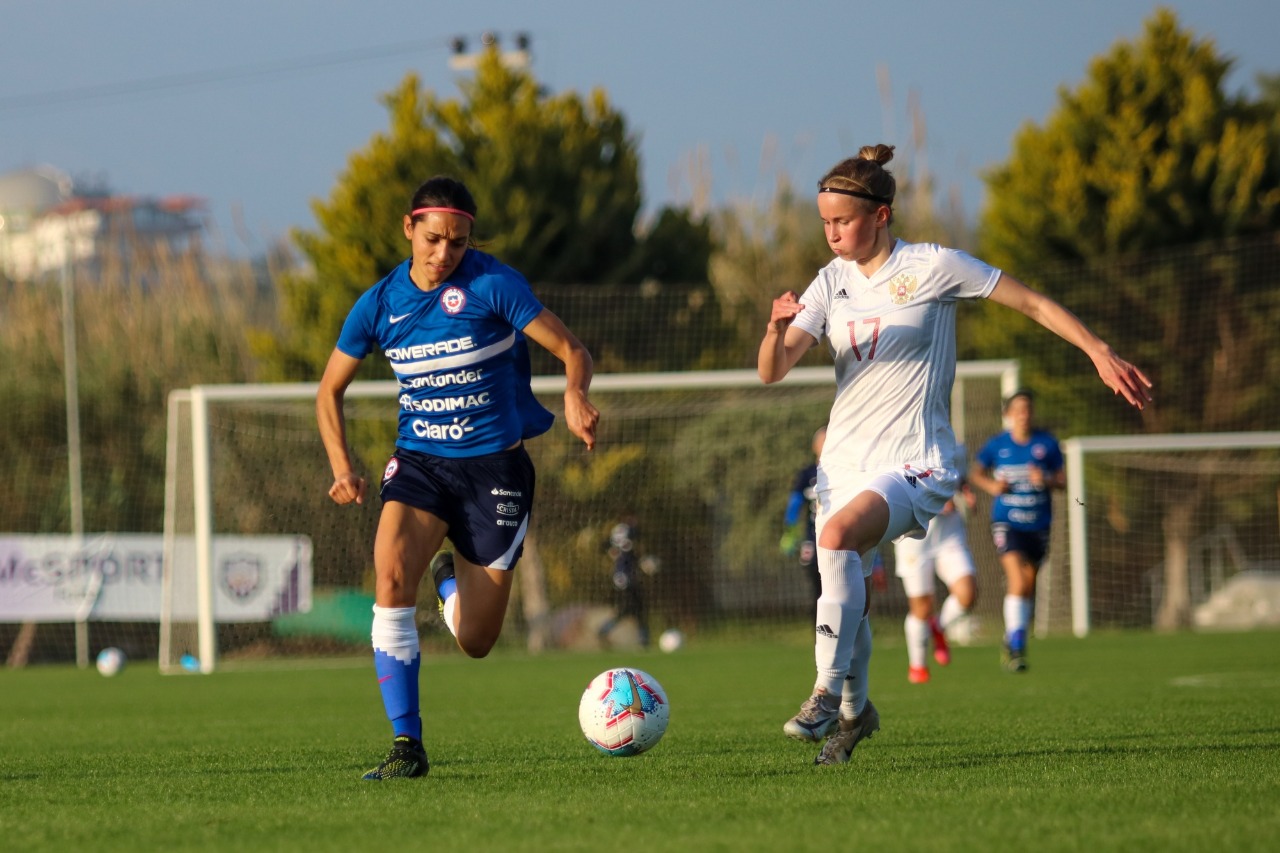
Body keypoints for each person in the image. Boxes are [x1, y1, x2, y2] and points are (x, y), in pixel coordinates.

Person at [758, 144, 1151, 766]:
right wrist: (777, 327)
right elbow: (772, 370)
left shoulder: (932, 266)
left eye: (843, 221)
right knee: (845, 573)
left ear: (881, 215)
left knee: (836, 538)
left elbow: (1031, 303)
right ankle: (857, 714)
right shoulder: (829, 282)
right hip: (844, 463)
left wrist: (1098, 350)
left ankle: (824, 695)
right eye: (825, 223)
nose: (832, 234)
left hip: (915, 459)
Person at [317, 176, 599, 780]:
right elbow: (329, 390)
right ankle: (406, 745)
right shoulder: (377, 305)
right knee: (389, 575)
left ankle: (450, 583)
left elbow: (573, 348)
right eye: (435, 239)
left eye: (459, 242)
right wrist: (343, 466)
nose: (445, 253)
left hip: (495, 469)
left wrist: (574, 394)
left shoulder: (493, 284)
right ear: (409, 228)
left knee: (475, 640)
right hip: (421, 464)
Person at [970, 389, 1063, 673]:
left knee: (1028, 584)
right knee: (1017, 580)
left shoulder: (1046, 443)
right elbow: (975, 473)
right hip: (1007, 522)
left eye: (1028, 409)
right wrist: (991, 487)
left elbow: (1063, 480)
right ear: (1008, 415)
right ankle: (1017, 645)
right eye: (1018, 410)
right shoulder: (997, 445)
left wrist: (1045, 479)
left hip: (1038, 523)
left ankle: (1012, 635)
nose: (1024, 415)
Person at [893, 445, 979, 684]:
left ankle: (938, 627)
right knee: (922, 606)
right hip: (913, 537)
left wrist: (966, 494)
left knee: (968, 594)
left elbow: (959, 480)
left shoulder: (955, 447)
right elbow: (901, 486)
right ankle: (918, 666)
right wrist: (934, 503)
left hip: (949, 535)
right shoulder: (903, 447)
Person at [781, 426, 827, 615]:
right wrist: (789, 532)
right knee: (818, 591)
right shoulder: (807, 474)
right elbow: (794, 504)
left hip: (839, 538)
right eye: (822, 442)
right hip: (812, 541)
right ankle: (820, 638)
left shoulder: (844, 472)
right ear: (814, 446)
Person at [596, 519, 651, 648]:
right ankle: (604, 631)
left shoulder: (618, 535)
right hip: (627, 582)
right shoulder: (629, 539)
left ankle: (644, 641)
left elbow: (605, 546)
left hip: (621, 580)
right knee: (629, 611)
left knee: (636, 612)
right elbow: (632, 558)